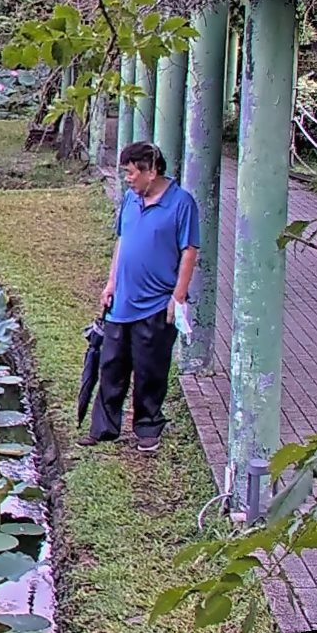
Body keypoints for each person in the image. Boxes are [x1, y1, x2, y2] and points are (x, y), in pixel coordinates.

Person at [89, 142, 206, 451]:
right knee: (111, 365)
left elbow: (189, 251)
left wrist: (177, 297)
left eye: (131, 173)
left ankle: (147, 428)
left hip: (156, 303)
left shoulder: (182, 203)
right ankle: (103, 429)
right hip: (122, 301)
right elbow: (122, 241)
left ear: (151, 172)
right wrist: (111, 282)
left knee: (150, 369)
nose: (127, 179)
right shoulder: (130, 200)